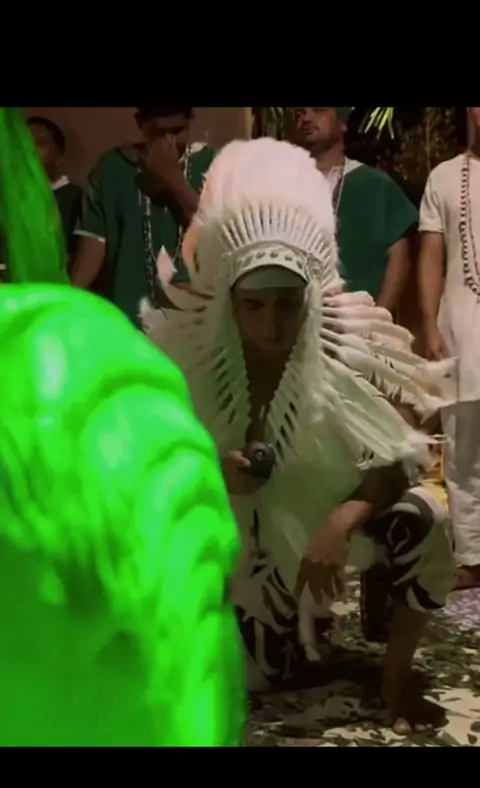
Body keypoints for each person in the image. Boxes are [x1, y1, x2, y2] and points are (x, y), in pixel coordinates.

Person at [142, 138, 457, 735]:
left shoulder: (347, 347)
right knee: (262, 678)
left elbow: (402, 456)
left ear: (308, 297)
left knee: (426, 517)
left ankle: (395, 674)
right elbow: (150, 478)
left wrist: (342, 521)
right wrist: (214, 475)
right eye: (254, 306)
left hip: (326, 524)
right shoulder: (189, 366)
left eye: (286, 304)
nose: (271, 323)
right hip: (241, 550)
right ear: (230, 303)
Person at [0, 107, 245, 747]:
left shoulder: (218, 170)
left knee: (193, 499)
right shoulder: (113, 172)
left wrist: (176, 183)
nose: (168, 131)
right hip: (129, 345)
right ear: (137, 119)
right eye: (155, 122)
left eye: (177, 121)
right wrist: (60, 312)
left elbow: (230, 254)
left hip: (203, 348)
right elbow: (93, 254)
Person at [71, 106, 215, 326]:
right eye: (157, 132)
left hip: (197, 323)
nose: (168, 141)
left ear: (191, 120)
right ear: (140, 123)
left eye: (177, 130)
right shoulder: (113, 167)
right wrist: (66, 303)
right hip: (130, 318)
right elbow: (93, 243)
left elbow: (216, 234)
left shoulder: (212, 164)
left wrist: (172, 177)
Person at [419, 107, 480, 590]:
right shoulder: (444, 177)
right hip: (463, 332)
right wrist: (429, 326)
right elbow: (431, 255)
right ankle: (473, 557)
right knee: (464, 454)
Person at [293, 107, 418, 315]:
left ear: (342, 122)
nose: (306, 117)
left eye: (318, 109)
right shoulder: (283, 186)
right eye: (299, 113)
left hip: (360, 322)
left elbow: (399, 257)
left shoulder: (375, 185)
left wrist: (378, 318)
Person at [28, 115, 82, 258]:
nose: (28, 150)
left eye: (39, 143)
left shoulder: (77, 201)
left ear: (59, 156)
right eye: (22, 144)